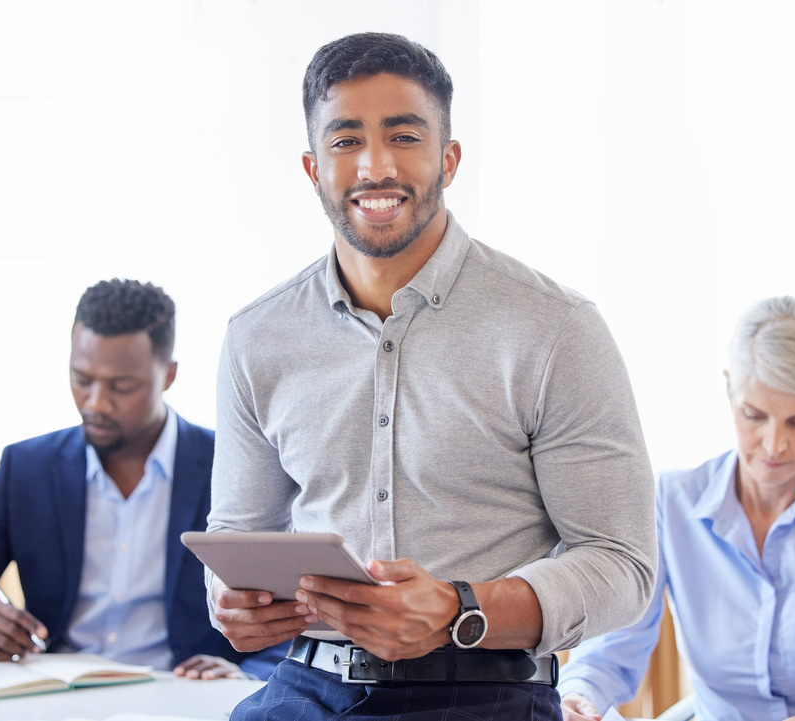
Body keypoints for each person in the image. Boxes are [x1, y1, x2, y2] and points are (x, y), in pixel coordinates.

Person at [205, 31, 657, 721]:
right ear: (312, 166)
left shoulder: (556, 327)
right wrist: (232, 604)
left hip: (487, 693)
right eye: (346, 140)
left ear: (448, 158)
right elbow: (235, 541)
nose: (375, 166)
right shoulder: (255, 338)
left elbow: (622, 565)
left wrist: (458, 608)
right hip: (305, 690)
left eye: (404, 136)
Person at [559, 296, 795, 721]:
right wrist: (578, 697)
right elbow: (610, 649)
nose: (774, 445)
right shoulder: (671, 503)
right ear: (729, 388)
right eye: (754, 415)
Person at [0, 278, 287, 680]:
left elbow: (293, 618)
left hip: (183, 698)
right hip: (55, 695)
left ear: (168, 375)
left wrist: (247, 675)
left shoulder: (233, 465)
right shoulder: (26, 470)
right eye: (81, 379)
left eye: (122, 386)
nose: (95, 402)